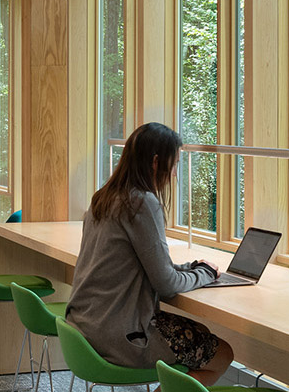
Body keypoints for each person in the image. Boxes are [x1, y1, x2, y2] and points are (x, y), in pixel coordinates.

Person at [66, 123, 234, 385]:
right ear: (156, 162)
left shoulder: (104, 197)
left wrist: (190, 267)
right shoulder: (141, 202)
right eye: (174, 164)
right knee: (222, 354)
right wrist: (205, 274)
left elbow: (143, 263)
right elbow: (166, 286)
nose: (176, 174)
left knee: (200, 333)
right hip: (120, 334)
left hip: (84, 325)